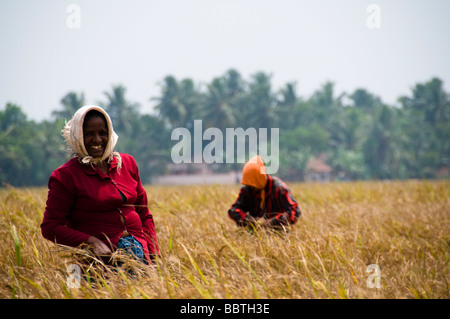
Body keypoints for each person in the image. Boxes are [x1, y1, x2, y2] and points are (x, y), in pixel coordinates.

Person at [41, 105, 159, 264]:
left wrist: (153, 254)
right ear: (78, 136)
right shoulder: (66, 175)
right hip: (100, 263)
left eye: (102, 133)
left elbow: (144, 213)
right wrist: (91, 241)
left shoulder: (127, 164)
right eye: (89, 134)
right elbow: (50, 227)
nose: (97, 140)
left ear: (110, 134)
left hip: (141, 254)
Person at [228, 155, 301, 230]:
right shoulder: (247, 190)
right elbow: (233, 210)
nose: (251, 187)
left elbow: (294, 211)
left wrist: (273, 222)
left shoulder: (279, 189)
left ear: (259, 177)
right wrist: (249, 219)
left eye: (253, 183)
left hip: (279, 233)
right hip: (255, 232)